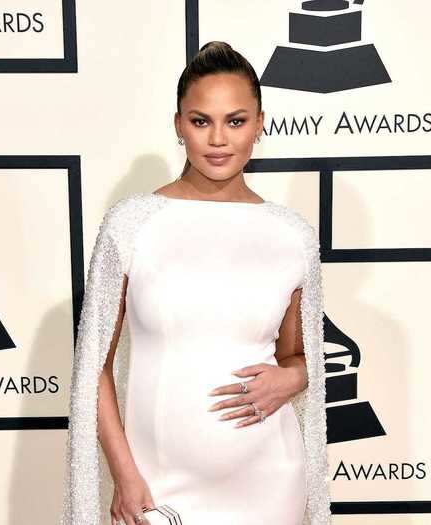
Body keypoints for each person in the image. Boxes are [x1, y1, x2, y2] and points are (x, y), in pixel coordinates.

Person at [59, 41, 332, 525]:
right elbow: (92, 366)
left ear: (260, 124)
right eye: (201, 121)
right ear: (179, 125)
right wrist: (124, 475)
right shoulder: (132, 224)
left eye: (236, 120)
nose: (219, 139)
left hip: (269, 479)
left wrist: (294, 377)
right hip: (157, 482)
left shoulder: (291, 236)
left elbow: (298, 355)